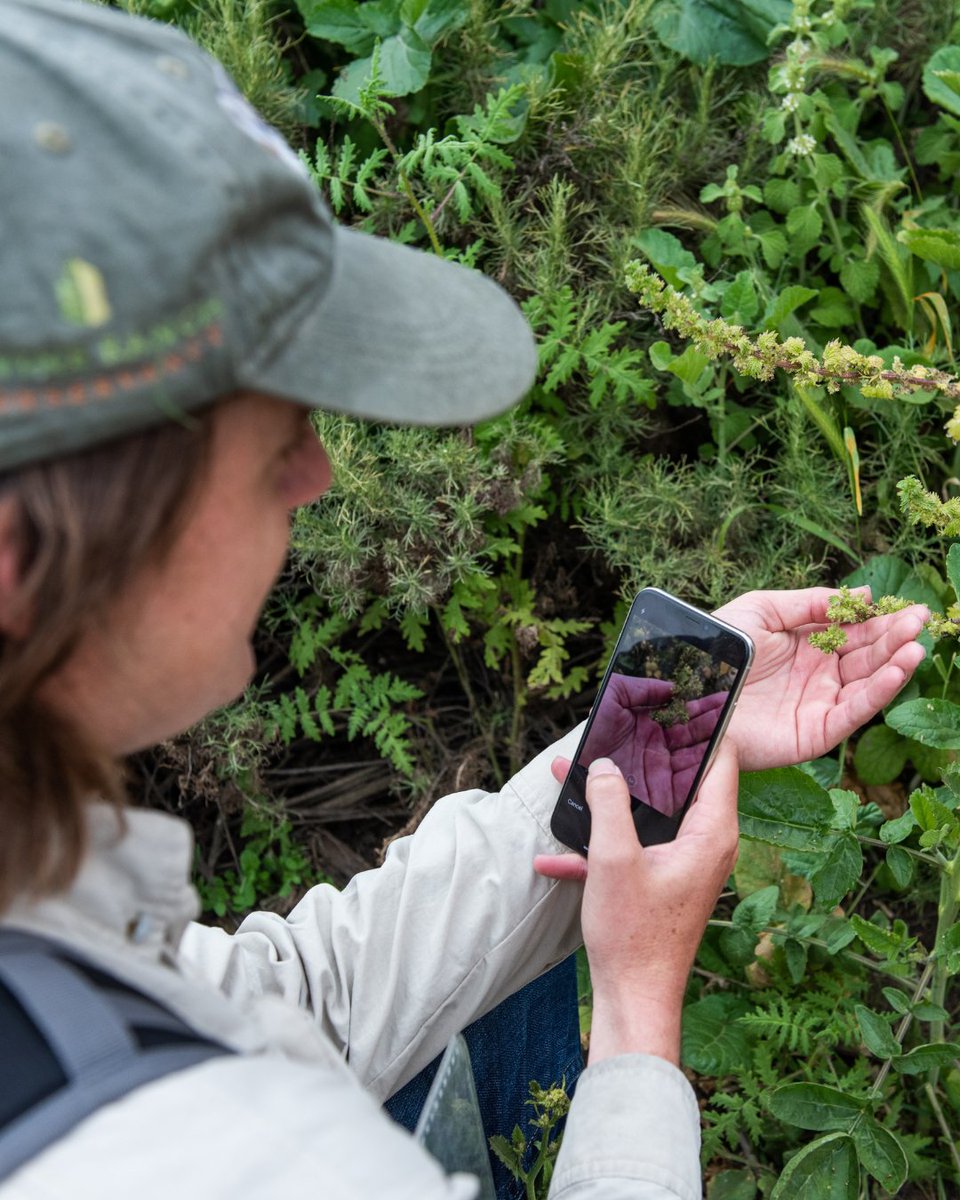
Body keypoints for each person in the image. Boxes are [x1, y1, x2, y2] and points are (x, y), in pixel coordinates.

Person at [0, 2, 930, 1197]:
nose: (315, 471)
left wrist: (631, 752)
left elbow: (272, 1006)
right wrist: (639, 1016)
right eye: (268, 426)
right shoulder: (226, 1160)